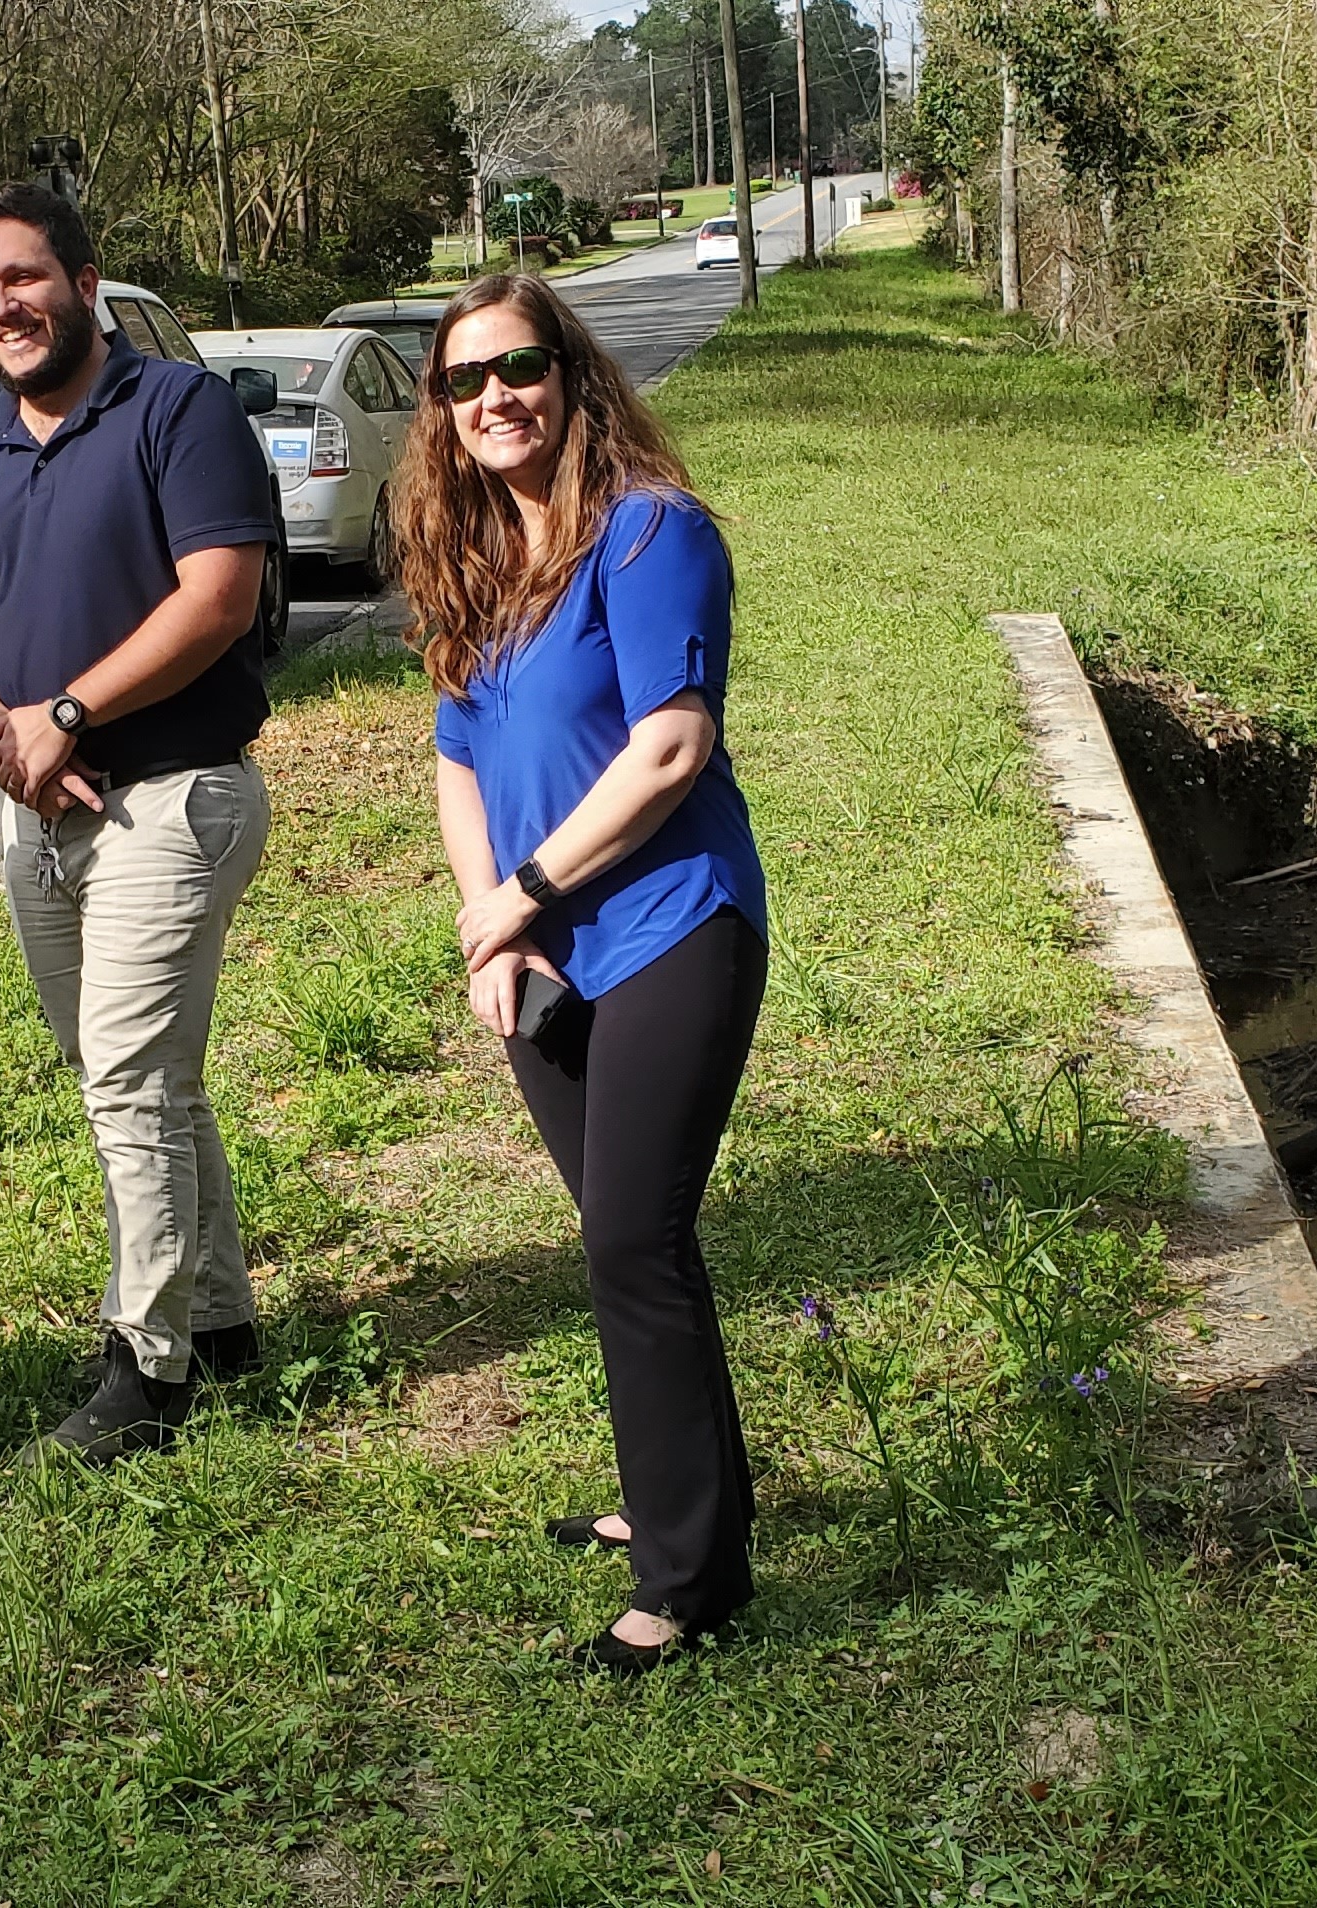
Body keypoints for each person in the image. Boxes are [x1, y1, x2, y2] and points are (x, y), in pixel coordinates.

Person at [395, 275, 774, 1675]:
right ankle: (683, 1498)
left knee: (632, 1236)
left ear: (570, 373)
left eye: (519, 365)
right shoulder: (481, 564)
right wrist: (486, 922)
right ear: (440, 410)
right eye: (462, 380)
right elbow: (455, 763)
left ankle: (692, 1581)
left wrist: (526, 896)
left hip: (672, 922)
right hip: (544, 951)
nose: (494, 396)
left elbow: (670, 750)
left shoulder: (650, 535)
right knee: (628, 1240)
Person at [0, 184, 283, 1463]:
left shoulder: (177, 411)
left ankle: (150, 1368)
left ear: (82, 278)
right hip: (41, 814)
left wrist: (67, 709)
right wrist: (0, 732)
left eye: (22, 278)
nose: (2, 308)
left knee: (128, 1084)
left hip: (173, 800)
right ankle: (227, 1328)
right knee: (137, 1080)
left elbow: (219, 598)